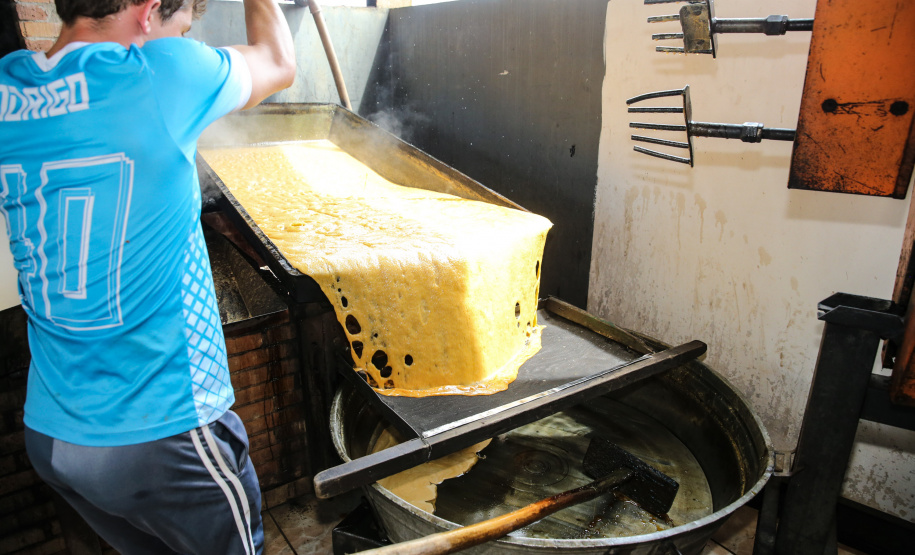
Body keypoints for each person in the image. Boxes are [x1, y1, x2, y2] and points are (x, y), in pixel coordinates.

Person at [0, 0, 295, 553]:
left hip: (52, 434)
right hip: (162, 435)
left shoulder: (6, 87)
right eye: (179, 28)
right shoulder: (165, 72)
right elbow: (279, 60)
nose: (179, 40)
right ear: (149, 11)